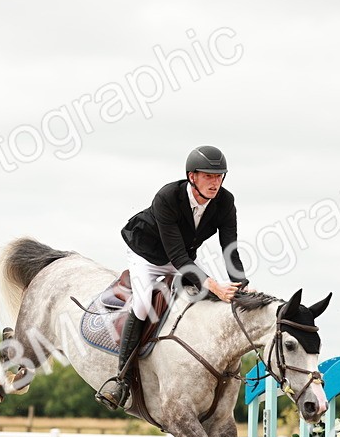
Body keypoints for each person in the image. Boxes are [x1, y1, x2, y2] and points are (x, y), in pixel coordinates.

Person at [97, 144, 247, 409]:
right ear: (192, 177)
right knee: (144, 303)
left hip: (181, 258)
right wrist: (214, 284)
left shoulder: (225, 201)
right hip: (147, 256)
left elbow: (229, 247)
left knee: (202, 298)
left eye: (220, 176)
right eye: (209, 176)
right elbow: (178, 257)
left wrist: (240, 283)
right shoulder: (167, 197)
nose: (216, 183)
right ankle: (120, 379)